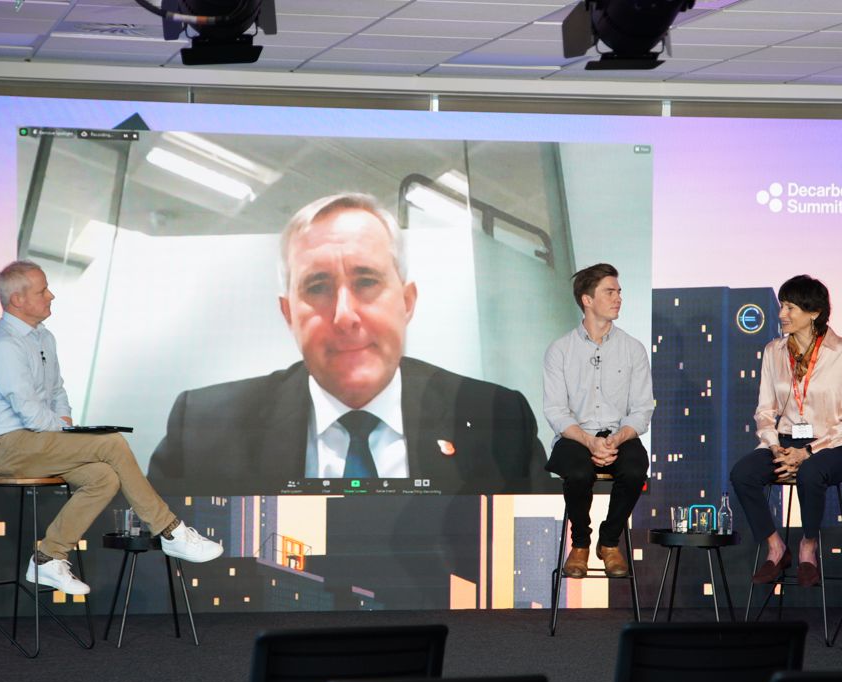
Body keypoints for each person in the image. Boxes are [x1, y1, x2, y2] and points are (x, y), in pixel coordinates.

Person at [148, 192, 546, 495]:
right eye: (317, 287)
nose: (344, 315)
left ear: (407, 302)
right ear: (289, 314)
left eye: (367, 281)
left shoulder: (499, 421)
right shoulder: (204, 429)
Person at [0, 261, 223, 596]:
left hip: (35, 441)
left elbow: (57, 392)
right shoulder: (3, 344)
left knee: (104, 477)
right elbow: (29, 412)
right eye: (42, 290)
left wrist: (66, 425)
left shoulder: (44, 337)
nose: (52, 295)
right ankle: (170, 531)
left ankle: (47, 557)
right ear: (17, 300)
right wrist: (63, 432)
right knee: (111, 443)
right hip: (2, 447)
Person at [730, 275, 842, 588]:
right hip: (785, 443)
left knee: (810, 474)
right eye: (782, 306)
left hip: (831, 447)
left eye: (790, 307)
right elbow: (765, 411)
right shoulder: (773, 351)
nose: (782, 314)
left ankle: (808, 546)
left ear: (814, 312)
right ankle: (776, 548)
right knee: (743, 473)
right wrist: (774, 446)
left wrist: (807, 453)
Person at [543, 264, 653, 579]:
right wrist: (590, 441)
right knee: (577, 472)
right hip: (576, 437)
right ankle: (580, 544)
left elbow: (642, 408)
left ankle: (609, 541)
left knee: (634, 469)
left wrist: (616, 439)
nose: (618, 298)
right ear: (587, 300)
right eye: (610, 292)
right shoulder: (560, 350)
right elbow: (556, 410)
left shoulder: (633, 349)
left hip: (620, 435)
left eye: (619, 292)